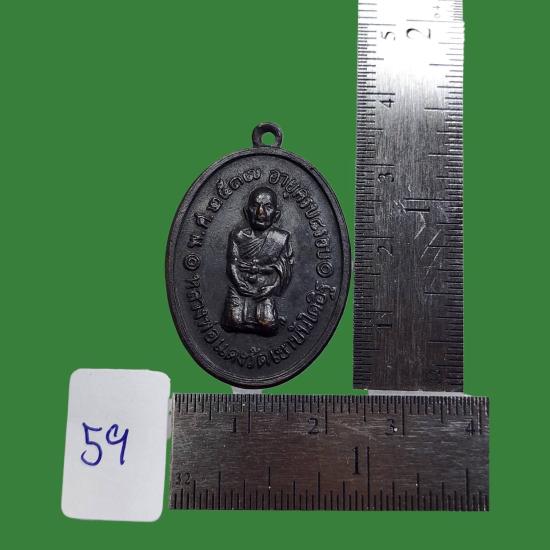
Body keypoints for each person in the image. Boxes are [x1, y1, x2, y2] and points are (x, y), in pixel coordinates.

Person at [221, 187, 294, 335]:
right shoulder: (238, 235)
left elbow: (285, 269)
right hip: (240, 287)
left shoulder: (280, 238)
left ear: (276, 214)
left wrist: (272, 288)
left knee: (268, 326)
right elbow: (232, 263)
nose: (261, 212)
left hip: (264, 290)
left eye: (268, 207)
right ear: (246, 212)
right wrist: (238, 283)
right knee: (232, 322)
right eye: (255, 206)